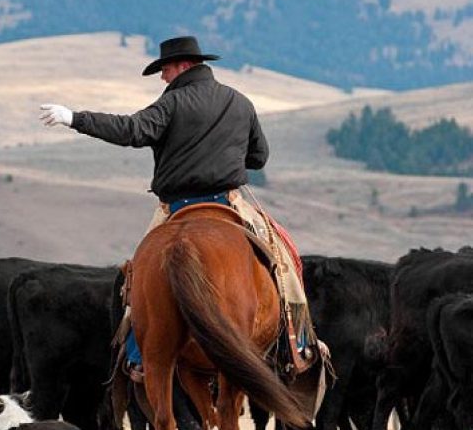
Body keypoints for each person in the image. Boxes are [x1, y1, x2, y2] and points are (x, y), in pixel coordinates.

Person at [39, 35, 308, 382]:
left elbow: (131, 130)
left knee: (139, 279)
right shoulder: (240, 102)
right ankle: (298, 344)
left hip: (176, 206)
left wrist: (74, 117)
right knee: (285, 260)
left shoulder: (172, 103)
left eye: (164, 70)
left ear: (182, 66)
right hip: (229, 203)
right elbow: (259, 157)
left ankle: (138, 356)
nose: (163, 78)